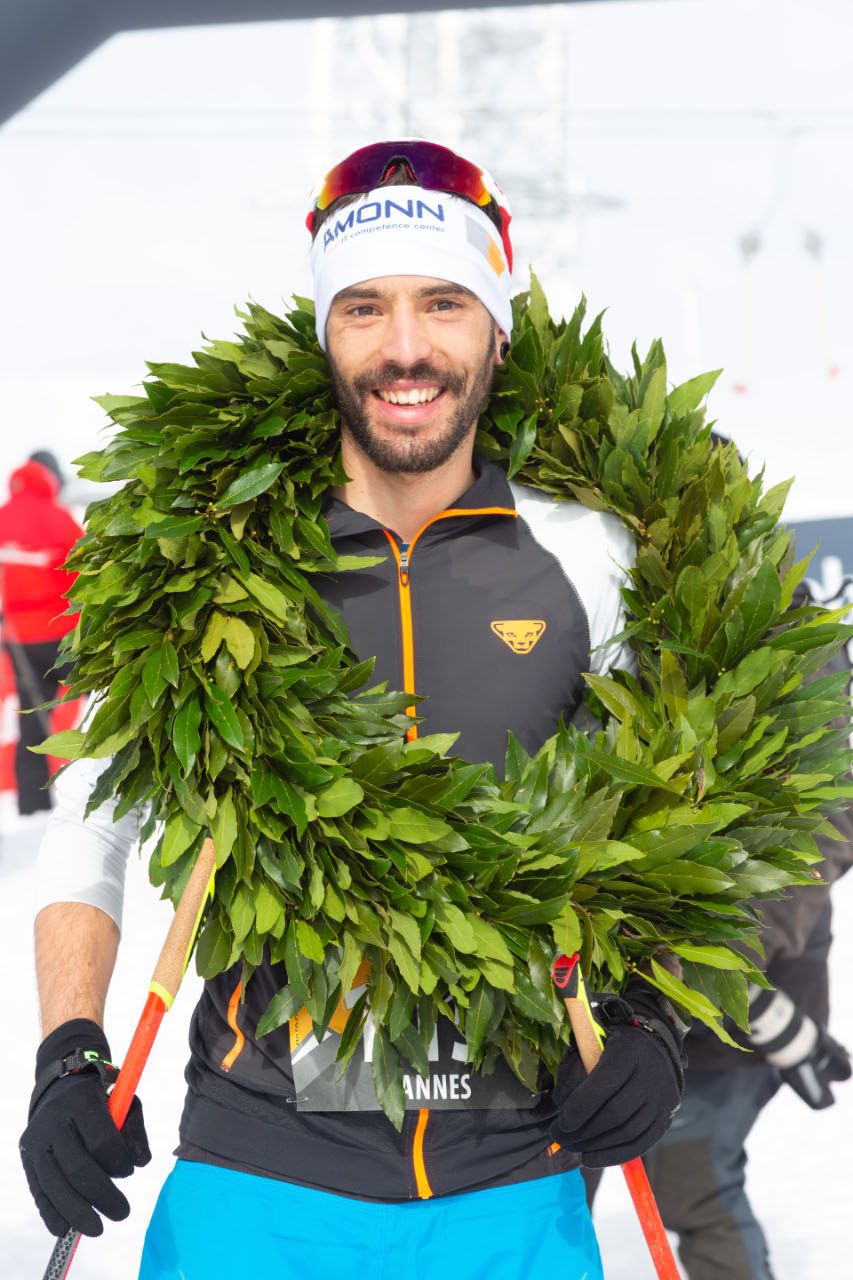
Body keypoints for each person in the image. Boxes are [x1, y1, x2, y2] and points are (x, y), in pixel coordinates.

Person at [19, 141, 686, 1280]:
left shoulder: (589, 557)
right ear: (323, 333)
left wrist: (649, 1023)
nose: (405, 347)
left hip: (512, 1188)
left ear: (497, 330)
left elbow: (660, 822)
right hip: (255, 1185)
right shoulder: (219, 561)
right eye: (364, 307)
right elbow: (95, 814)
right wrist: (68, 1052)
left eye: (444, 302)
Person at [583, 607, 853, 1280]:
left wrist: (727, 980)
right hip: (591, 996)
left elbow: (820, 831)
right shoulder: (613, 604)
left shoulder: (787, 636)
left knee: (691, 1182)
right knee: (547, 1189)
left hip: (731, 1011)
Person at [0, 450, 83, 815]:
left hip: (19, 640)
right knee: (103, 702)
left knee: (32, 719)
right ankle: (100, 791)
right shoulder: (57, 517)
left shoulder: (2, 517)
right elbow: (85, 573)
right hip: (62, 634)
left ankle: (33, 807)